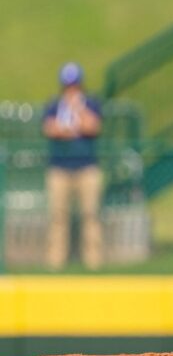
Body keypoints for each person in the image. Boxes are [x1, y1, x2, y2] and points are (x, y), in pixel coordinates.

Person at [41, 62, 104, 270]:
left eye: (75, 85)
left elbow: (92, 126)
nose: (71, 90)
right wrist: (70, 128)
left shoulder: (91, 104)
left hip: (87, 167)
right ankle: (55, 262)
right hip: (59, 168)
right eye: (68, 86)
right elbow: (51, 129)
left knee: (90, 214)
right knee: (58, 216)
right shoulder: (54, 105)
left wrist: (77, 110)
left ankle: (93, 262)